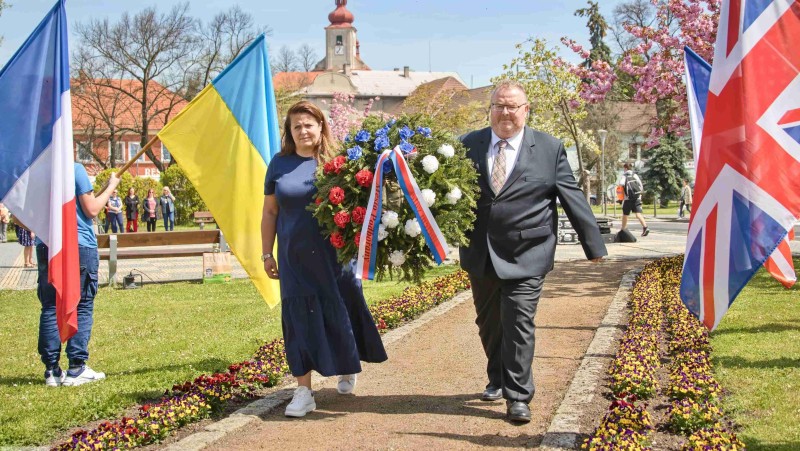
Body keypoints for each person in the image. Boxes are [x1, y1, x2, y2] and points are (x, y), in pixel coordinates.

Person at [459, 80, 607, 423]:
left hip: (529, 250)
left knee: (518, 321)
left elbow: (571, 196)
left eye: (512, 106)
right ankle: (497, 377)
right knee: (489, 323)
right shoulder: (468, 144)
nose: (505, 112)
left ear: (526, 110)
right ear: (490, 109)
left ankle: (518, 396)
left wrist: (593, 244)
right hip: (480, 251)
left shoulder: (549, 148)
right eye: (499, 105)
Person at [261, 100, 387, 418]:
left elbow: (363, 201)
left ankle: (347, 365)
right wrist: (266, 252)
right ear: (289, 132)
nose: (303, 130)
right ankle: (303, 391)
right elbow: (270, 211)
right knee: (298, 318)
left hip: (335, 253)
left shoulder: (338, 161)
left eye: (309, 124)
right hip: (293, 256)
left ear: (321, 127)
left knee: (342, 308)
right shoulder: (278, 164)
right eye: (297, 126)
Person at [37, 163, 120, 386]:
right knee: (82, 303)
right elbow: (91, 210)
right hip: (79, 244)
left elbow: (19, 215)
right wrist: (111, 186)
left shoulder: (37, 168)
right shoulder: (73, 168)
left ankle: (52, 371)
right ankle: (76, 367)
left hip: (47, 244)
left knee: (50, 305)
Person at [620, 162, 649, 236]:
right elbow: (640, 186)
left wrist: (621, 197)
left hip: (628, 199)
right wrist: (639, 195)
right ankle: (645, 227)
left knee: (625, 214)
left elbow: (621, 184)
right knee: (638, 214)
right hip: (637, 198)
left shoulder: (624, 176)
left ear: (625, 168)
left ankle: (623, 230)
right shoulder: (635, 175)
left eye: (624, 168)